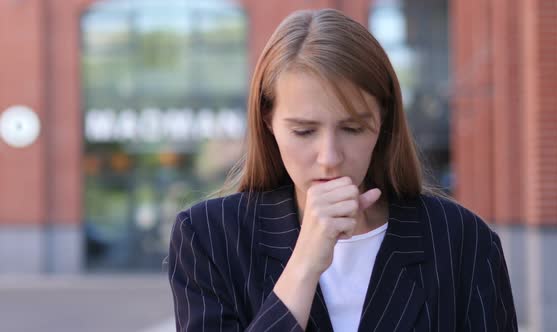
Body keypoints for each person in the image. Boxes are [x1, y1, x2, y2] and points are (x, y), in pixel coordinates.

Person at [167, 8, 518, 332]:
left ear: (383, 122)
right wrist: (304, 265)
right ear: (268, 121)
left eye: (352, 129)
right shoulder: (209, 237)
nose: (329, 157)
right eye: (304, 131)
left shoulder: (462, 240)